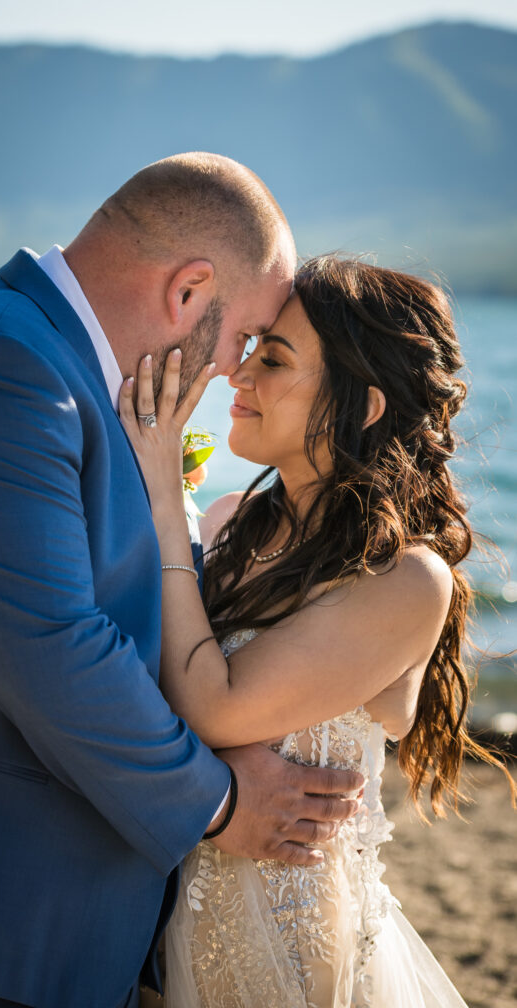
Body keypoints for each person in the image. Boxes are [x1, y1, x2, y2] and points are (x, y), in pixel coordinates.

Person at [0, 154, 364, 1008]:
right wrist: (223, 805)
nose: (235, 370)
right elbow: (53, 647)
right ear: (188, 292)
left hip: (30, 933)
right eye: (243, 340)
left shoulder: (60, 373)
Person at [121, 255, 516, 1007]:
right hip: (175, 933)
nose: (237, 378)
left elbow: (215, 706)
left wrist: (162, 495)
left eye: (272, 359)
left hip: (297, 956)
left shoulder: (403, 580)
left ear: (363, 405)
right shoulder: (226, 522)